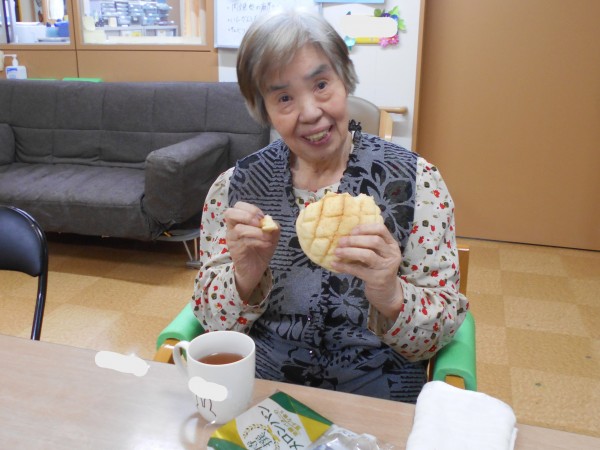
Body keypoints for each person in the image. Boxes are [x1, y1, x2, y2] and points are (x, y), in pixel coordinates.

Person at [190, 9, 468, 403]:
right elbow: (211, 324)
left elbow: (438, 333)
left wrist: (391, 294)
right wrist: (244, 276)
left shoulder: (416, 182)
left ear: (345, 79)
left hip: (378, 398)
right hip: (266, 392)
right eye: (284, 97)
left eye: (321, 84)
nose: (310, 113)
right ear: (263, 109)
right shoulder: (235, 188)